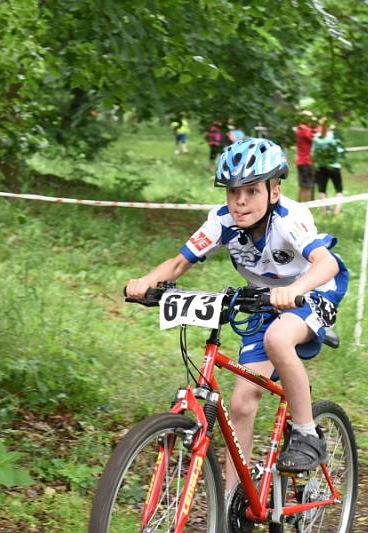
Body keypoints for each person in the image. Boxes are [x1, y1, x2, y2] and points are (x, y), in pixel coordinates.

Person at [125, 138, 349, 491]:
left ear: (274, 191)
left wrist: (295, 290)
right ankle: (233, 502)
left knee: (279, 339)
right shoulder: (222, 220)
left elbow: (327, 263)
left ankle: (306, 433)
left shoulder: (290, 219)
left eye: (251, 191)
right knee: (242, 403)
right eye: (232, 192)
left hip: (315, 288)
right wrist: (147, 282)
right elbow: (181, 262)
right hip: (264, 299)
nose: (240, 201)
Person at [311, 117, 345, 215]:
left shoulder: (317, 138)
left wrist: (314, 165)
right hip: (334, 166)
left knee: (322, 190)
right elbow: (340, 152)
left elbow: (313, 154)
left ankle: (324, 212)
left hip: (320, 167)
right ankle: (336, 212)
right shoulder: (334, 137)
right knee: (339, 190)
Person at [293, 111, 317, 202]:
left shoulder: (298, 128)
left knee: (302, 186)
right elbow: (315, 139)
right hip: (306, 161)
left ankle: (298, 205)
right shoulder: (305, 130)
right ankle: (307, 208)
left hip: (300, 160)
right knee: (307, 187)